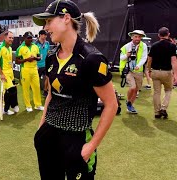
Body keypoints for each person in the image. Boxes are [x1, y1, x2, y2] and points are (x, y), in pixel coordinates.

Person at [32, 0, 118, 179]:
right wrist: (42, 126)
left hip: (77, 139)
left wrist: (91, 145)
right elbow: (51, 95)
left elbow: (111, 105)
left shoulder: (91, 58)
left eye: (49, 21)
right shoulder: (51, 57)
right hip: (48, 135)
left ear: (66, 18)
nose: (46, 28)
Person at [146, 27, 177, 119]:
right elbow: (174, 61)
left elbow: (149, 59)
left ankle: (157, 112)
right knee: (168, 90)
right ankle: (163, 108)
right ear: (168, 34)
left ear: (159, 35)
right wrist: (175, 74)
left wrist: (148, 70)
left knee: (156, 92)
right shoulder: (172, 46)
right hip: (167, 72)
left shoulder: (154, 45)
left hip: (155, 71)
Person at [119, 30, 148, 113]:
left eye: (139, 37)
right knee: (132, 87)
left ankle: (130, 104)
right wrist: (127, 55)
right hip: (128, 70)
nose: (137, 38)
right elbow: (121, 58)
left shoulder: (144, 46)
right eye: (135, 36)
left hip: (139, 71)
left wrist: (138, 66)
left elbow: (144, 57)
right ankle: (128, 101)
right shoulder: (126, 46)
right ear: (132, 37)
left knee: (136, 90)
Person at [16, 31, 44, 112]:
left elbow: (39, 58)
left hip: (34, 69)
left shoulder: (35, 46)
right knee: (26, 88)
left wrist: (34, 58)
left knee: (36, 87)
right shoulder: (20, 48)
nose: (30, 39)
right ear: (24, 38)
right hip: (25, 70)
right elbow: (17, 61)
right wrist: (27, 60)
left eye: (31, 38)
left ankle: (37, 105)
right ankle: (28, 105)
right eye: (28, 38)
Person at [0, 31, 19, 115]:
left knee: (12, 89)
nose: (11, 39)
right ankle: (8, 108)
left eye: (12, 38)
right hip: (3, 73)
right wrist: (1, 74)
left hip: (10, 73)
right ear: (5, 38)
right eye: (10, 37)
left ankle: (10, 107)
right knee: (11, 90)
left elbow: (9, 61)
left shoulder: (10, 48)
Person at [35, 29, 50, 97]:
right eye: (44, 35)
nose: (45, 36)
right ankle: (36, 92)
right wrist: (35, 64)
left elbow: (48, 53)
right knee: (36, 80)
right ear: (40, 35)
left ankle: (45, 90)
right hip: (37, 65)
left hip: (45, 64)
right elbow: (33, 55)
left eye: (46, 35)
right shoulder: (35, 44)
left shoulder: (47, 43)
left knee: (48, 77)